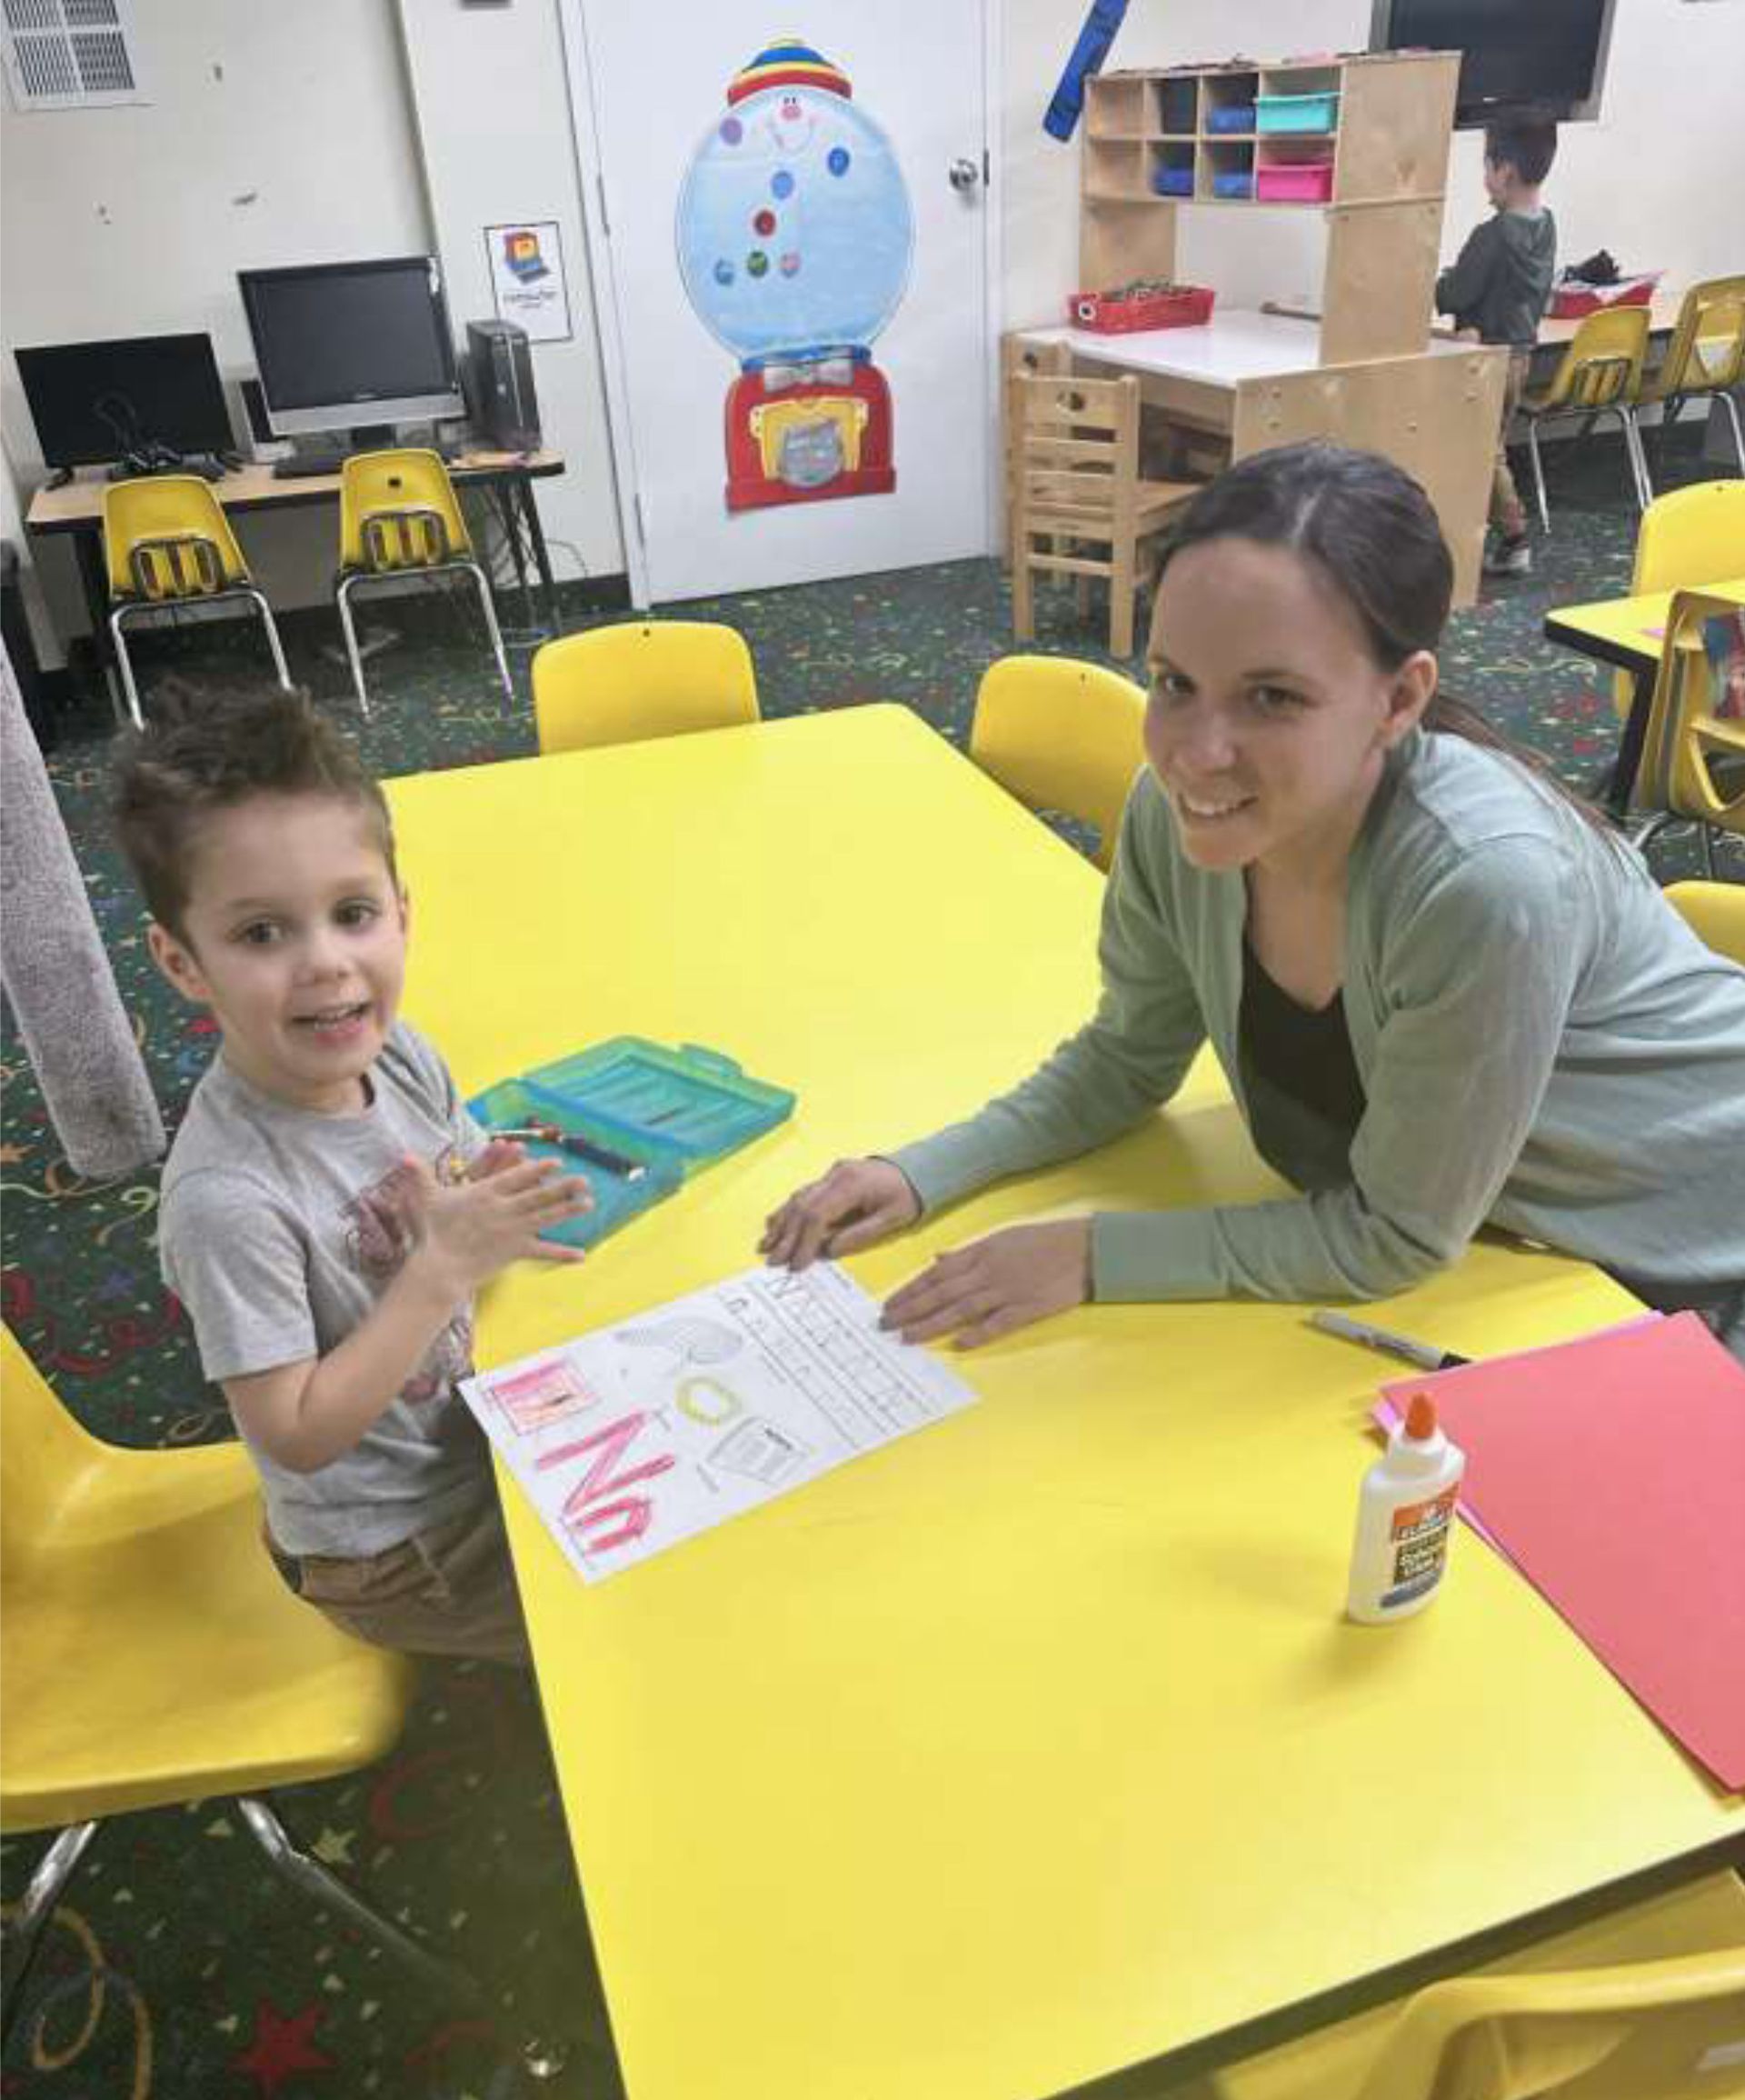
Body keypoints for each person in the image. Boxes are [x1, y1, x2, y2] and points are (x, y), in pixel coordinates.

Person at [760, 442, 1745, 1362]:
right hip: (1525, 1257)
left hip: (1692, 1254)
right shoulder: (1179, 815)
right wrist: (923, 1169)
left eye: (1272, 697)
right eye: (1174, 682)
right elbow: (1125, 1058)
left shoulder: (1483, 881)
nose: (1194, 752)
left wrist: (1092, 1254)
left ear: (1399, 700)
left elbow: (1395, 1235)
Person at [115, 683, 589, 1665]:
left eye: (353, 913)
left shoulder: (398, 1054)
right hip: (398, 1551)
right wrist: (437, 1275)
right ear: (181, 961)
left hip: (467, 1438)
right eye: (260, 934)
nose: (327, 965)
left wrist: (482, 1196)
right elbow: (293, 1435)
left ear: (402, 915)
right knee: (641, 1621)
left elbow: (450, 1165)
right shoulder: (226, 1202)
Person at [1434, 111, 1558, 578]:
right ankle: (1506, 537)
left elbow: (1455, 293)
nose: (1485, 178)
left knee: (1484, 451)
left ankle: (1514, 535)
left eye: (1486, 167)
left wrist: (1444, 280)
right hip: (1522, 354)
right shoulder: (1546, 226)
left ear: (1504, 172)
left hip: (1485, 358)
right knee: (1494, 447)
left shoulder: (1492, 235)